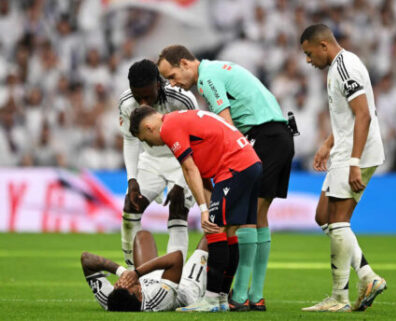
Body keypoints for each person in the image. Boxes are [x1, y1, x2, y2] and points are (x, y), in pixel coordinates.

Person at [156, 44, 295, 311]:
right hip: (280, 135)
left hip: (262, 136)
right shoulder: (219, 69)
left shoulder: (207, 78)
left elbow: (227, 124)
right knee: (258, 216)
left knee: (244, 219)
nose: (173, 84)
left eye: (172, 76)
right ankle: (253, 295)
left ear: (185, 63)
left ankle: (240, 295)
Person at [129, 106, 262, 312]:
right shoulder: (181, 119)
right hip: (250, 164)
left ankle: (210, 300)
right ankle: (222, 299)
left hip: (233, 168)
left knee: (214, 231)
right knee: (230, 232)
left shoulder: (169, 128)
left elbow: (189, 169)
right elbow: (202, 170)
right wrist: (208, 203)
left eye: (145, 139)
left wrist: (203, 209)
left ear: (148, 127)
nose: (150, 144)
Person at [299, 24, 387, 312]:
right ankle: (367, 276)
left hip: (355, 152)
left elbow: (363, 115)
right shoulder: (338, 67)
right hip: (345, 148)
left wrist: (354, 162)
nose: (308, 61)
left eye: (309, 54)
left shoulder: (345, 66)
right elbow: (349, 116)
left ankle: (339, 297)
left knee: (338, 221)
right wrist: (327, 144)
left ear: (323, 45)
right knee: (323, 216)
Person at [118, 59, 201, 268]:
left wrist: (181, 184)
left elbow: (197, 141)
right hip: (151, 159)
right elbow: (129, 140)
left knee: (178, 208)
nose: (143, 102)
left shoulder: (182, 99)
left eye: (148, 95)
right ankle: (133, 272)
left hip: (181, 159)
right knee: (131, 205)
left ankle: (173, 277)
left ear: (158, 84)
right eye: (139, 97)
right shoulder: (127, 103)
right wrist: (132, 179)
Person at [81, 230, 209, 311]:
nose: (122, 282)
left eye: (117, 285)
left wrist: (122, 272)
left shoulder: (110, 300)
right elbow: (176, 258)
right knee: (212, 235)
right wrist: (136, 273)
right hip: (185, 285)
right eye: (129, 285)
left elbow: (86, 258)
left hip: (149, 278)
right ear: (140, 296)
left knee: (142, 236)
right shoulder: (157, 301)